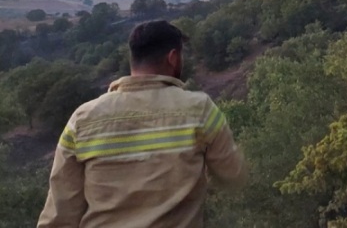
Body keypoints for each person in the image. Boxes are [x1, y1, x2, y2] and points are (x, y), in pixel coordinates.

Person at [37, 20, 247, 228]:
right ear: (173, 58)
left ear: (133, 58)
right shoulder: (200, 110)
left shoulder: (82, 119)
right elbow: (234, 176)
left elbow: (60, 214)